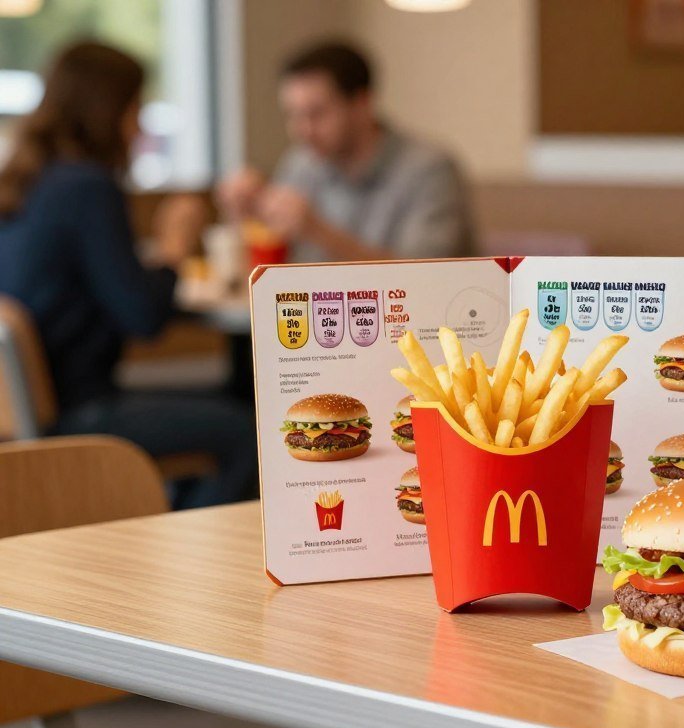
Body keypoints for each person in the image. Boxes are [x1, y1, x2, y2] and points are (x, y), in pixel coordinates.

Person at [0, 42, 257, 508]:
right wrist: (174, 244)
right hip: (77, 412)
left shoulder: (24, 184)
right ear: (108, 111)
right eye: (135, 108)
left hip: (22, 416)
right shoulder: (87, 186)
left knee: (224, 400)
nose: (139, 126)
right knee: (250, 430)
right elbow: (143, 316)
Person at [216, 41, 476, 263]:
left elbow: (424, 277)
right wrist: (245, 215)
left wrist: (318, 231)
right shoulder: (302, 164)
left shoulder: (429, 171)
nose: (302, 130)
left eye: (316, 114)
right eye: (293, 115)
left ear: (362, 103)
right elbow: (270, 271)